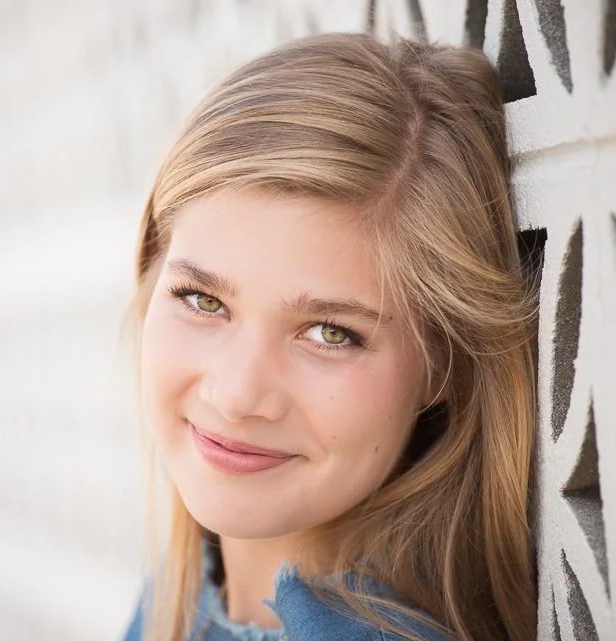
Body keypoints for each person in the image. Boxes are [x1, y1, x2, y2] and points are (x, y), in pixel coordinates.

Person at [119, 32, 538, 641]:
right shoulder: (172, 606)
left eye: (329, 333)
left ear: (443, 366)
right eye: (203, 300)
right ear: (150, 278)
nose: (237, 395)